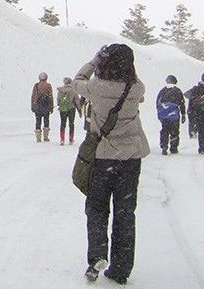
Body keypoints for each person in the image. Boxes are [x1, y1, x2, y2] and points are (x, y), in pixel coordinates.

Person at [73, 44, 150, 284]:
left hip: (103, 157)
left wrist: (93, 62)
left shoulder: (96, 88)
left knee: (96, 208)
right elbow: (135, 87)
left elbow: (77, 81)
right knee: (125, 212)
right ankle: (121, 269)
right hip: (130, 160)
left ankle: (97, 255)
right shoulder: (137, 88)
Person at [155, 74, 186, 155]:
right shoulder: (177, 91)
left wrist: (159, 114)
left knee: (164, 131)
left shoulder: (162, 91)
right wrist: (183, 114)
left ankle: (164, 146)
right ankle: (173, 147)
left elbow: (158, 103)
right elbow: (182, 103)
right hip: (174, 116)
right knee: (175, 132)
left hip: (165, 116)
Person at [56, 77, 81, 145]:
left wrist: (60, 104)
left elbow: (58, 100)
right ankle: (71, 139)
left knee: (63, 124)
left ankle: (62, 139)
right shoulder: (73, 90)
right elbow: (77, 101)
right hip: (71, 109)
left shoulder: (60, 90)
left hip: (63, 109)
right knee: (71, 124)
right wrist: (79, 110)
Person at [31, 72, 54, 142]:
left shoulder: (36, 86)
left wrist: (33, 105)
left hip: (38, 106)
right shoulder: (48, 85)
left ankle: (38, 138)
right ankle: (46, 137)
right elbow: (51, 97)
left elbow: (33, 96)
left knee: (38, 121)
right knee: (46, 121)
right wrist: (51, 106)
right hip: (46, 106)